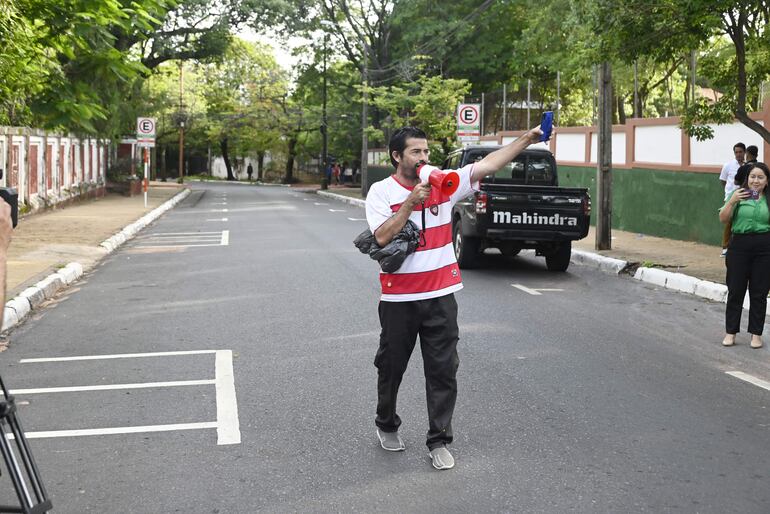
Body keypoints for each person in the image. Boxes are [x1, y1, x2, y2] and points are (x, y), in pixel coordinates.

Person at [365, 125, 543, 470]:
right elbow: (383, 237)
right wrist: (410, 204)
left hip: (441, 297)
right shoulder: (380, 191)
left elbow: (489, 164)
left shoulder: (443, 183)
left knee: (444, 370)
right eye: (416, 152)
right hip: (399, 299)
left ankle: (439, 440)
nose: (424, 158)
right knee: (391, 366)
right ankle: (386, 422)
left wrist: (526, 140)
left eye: (426, 151)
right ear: (397, 156)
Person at [719, 162, 770, 349]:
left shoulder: (767, 199)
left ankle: (756, 335)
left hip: (764, 248)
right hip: (739, 246)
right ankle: (730, 333)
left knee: (759, 292)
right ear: (747, 178)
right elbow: (723, 219)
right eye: (753, 177)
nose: (756, 181)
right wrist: (732, 201)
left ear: (766, 182)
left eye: (760, 177)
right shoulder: (738, 195)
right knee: (736, 291)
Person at [719, 143, 746, 256]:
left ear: (744, 152)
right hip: (731, 198)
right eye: (736, 152)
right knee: (729, 222)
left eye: (740, 152)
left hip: (745, 197)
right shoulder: (728, 165)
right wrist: (729, 194)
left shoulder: (749, 165)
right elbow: (723, 180)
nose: (738, 154)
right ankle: (725, 247)